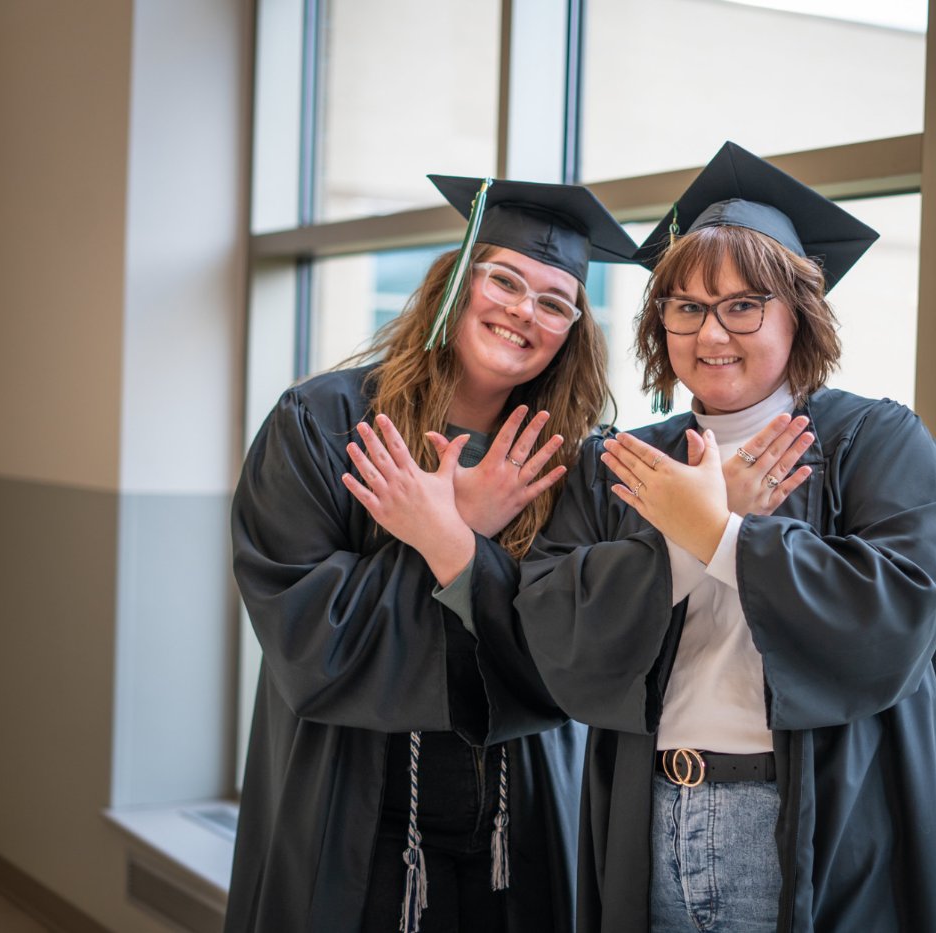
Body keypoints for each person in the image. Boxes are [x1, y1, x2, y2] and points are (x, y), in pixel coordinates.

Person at [517, 142, 936, 933]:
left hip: (802, 822)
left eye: (744, 304)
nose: (711, 331)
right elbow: (555, 622)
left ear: (800, 312)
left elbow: (897, 611)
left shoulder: (877, 441)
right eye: (685, 306)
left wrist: (720, 534)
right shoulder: (620, 460)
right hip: (646, 816)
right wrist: (689, 543)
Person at [226, 174, 637, 933]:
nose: (523, 311)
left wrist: (448, 538)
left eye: (554, 301)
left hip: (519, 826)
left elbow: (574, 656)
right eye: (505, 279)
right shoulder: (323, 425)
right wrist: (466, 530)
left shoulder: (569, 463)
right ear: (456, 285)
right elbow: (311, 642)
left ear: (573, 330)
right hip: (356, 820)